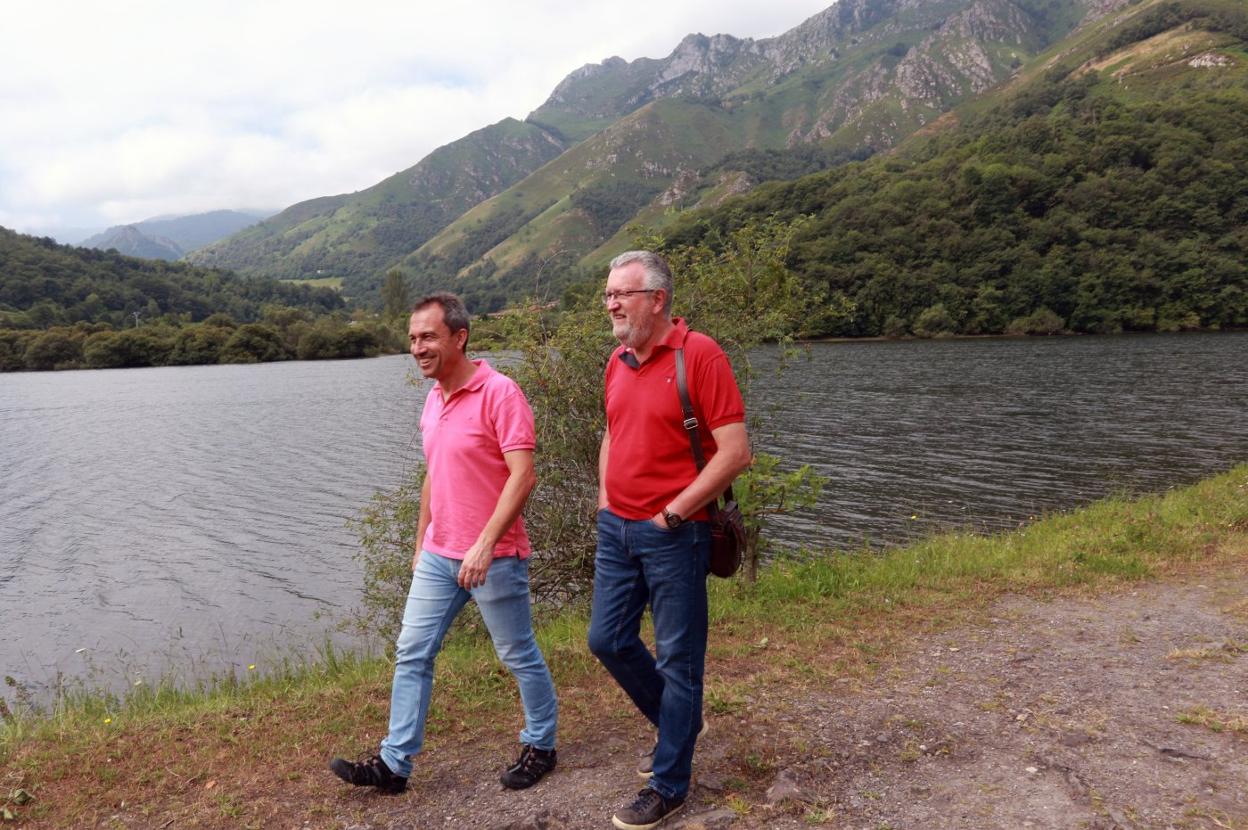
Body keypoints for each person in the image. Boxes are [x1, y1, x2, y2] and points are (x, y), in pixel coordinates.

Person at [330, 293, 558, 795]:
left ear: (460, 337)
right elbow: (433, 476)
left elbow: (523, 477)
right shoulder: (434, 398)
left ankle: (541, 743)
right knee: (412, 651)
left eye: (428, 337)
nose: (418, 347)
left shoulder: (501, 393)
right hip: (439, 554)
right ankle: (394, 765)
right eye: (413, 338)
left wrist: (483, 545)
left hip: (493, 555)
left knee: (516, 652)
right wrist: (421, 544)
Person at [587, 252, 751, 830]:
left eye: (621, 294)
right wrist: (607, 500)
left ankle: (670, 784)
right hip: (617, 529)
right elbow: (612, 432)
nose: (610, 303)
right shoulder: (616, 360)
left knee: (680, 661)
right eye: (607, 294)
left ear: (657, 299)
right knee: (606, 639)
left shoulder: (699, 355)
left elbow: (735, 453)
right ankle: (679, 725)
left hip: (675, 535)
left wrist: (674, 515)